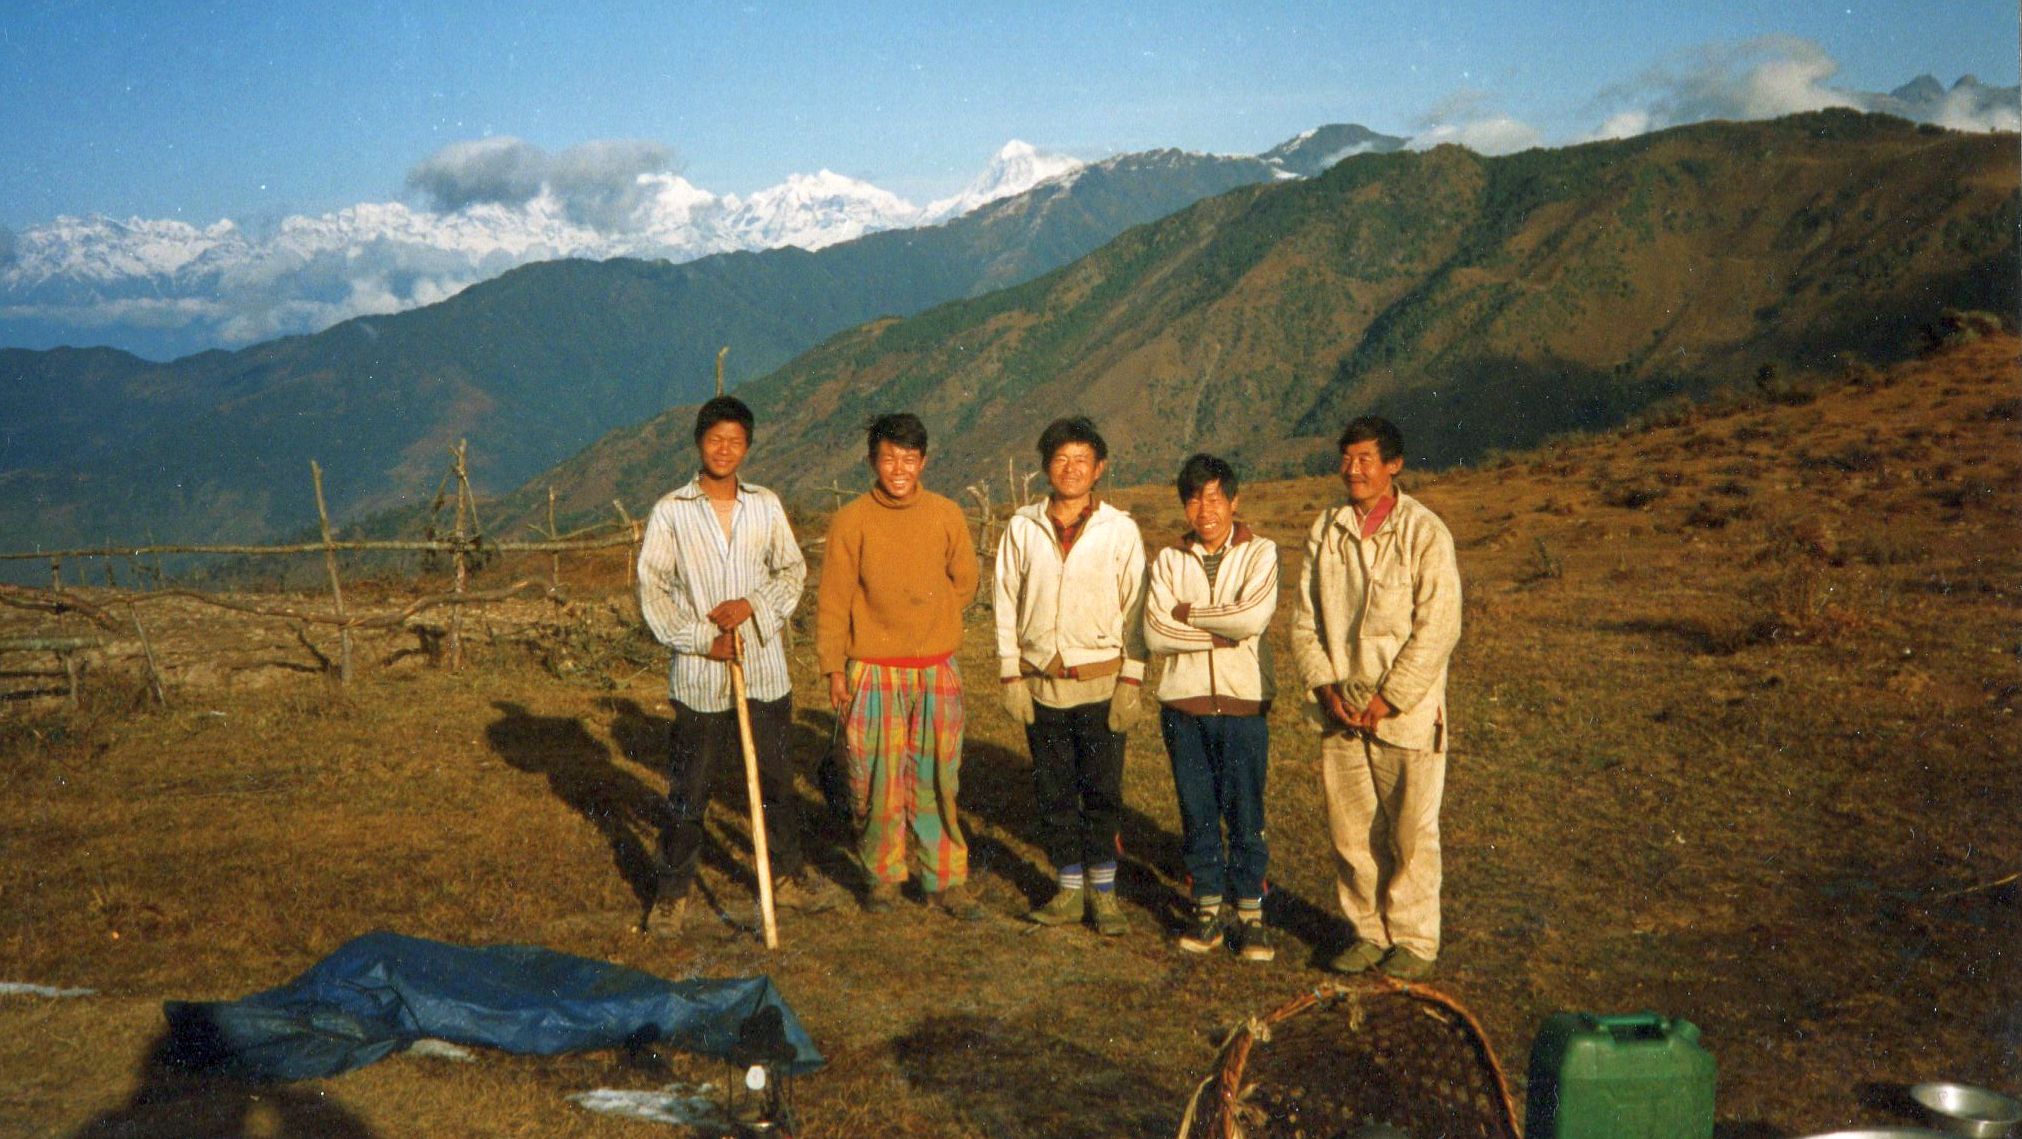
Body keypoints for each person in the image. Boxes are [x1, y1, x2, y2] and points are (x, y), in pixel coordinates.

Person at [637, 395, 841, 935]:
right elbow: (653, 591)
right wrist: (705, 640)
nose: (724, 450)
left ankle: (787, 879)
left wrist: (752, 607)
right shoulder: (671, 511)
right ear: (699, 443)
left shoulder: (765, 505)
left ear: (747, 447)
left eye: (735, 441)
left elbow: (791, 571)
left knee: (775, 782)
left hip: (764, 670)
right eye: (714, 439)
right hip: (701, 679)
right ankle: (672, 894)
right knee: (691, 789)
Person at [1290, 415, 1462, 980]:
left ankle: (1413, 940)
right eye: (1346, 458)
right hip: (1341, 709)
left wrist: (1391, 698)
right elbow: (1304, 620)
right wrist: (1325, 686)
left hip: (1405, 715)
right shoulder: (1328, 529)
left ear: (1394, 465)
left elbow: (1439, 627)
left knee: (1411, 831)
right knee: (1353, 832)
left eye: (1366, 459)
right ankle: (1367, 931)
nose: (1353, 469)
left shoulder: (1424, 532)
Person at [815, 413, 984, 919]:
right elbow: (833, 600)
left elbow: (966, 580)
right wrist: (834, 669)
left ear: (923, 461)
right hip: (871, 668)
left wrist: (932, 619)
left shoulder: (946, 514)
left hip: (936, 668)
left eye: (909, 458)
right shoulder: (852, 520)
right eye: (888, 457)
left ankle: (945, 879)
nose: (899, 468)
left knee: (938, 776)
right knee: (876, 780)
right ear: (873, 460)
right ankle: (883, 877)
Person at [993, 416, 1148, 936]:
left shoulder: (1119, 529)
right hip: (1042, 681)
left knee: (1102, 790)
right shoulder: (1023, 526)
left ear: (1099, 468)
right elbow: (1004, 601)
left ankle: (1104, 896)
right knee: (1054, 789)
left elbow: (1136, 607)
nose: (1071, 468)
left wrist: (1132, 679)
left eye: (1082, 460)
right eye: (1061, 459)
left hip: (1102, 681)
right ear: (1045, 467)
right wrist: (1011, 673)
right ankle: (1068, 888)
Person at [1143, 453, 1279, 961]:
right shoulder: (1168, 561)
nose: (1207, 508)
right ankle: (1206, 909)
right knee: (1197, 808)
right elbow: (1155, 633)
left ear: (1234, 500)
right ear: (1185, 506)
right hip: (1184, 702)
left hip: (1243, 703)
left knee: (1246, 809)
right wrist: (1219, 634)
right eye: (1196, 497)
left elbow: (1251, 618)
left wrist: (1188, 613)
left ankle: (1251, 914)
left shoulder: (1262, 552)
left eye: (1217, 496)